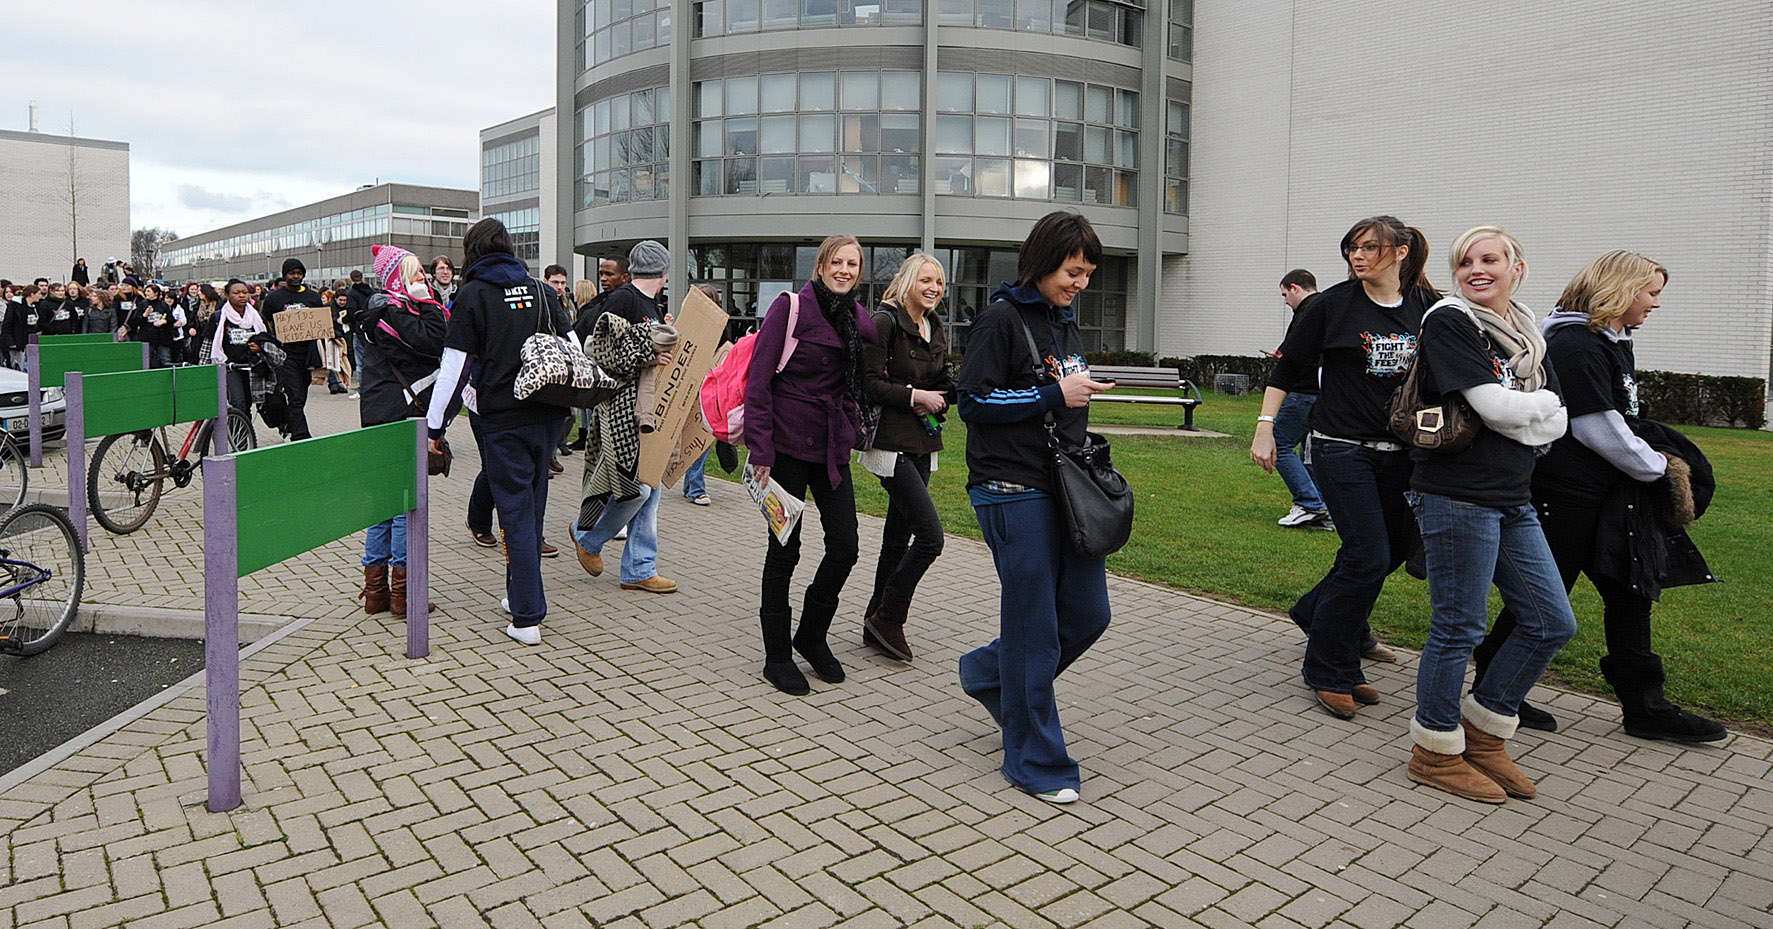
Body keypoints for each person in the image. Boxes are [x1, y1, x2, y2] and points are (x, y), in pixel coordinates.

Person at [1475, 251, 1726, 743]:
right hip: (1567, 497)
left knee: (1630, 594)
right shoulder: (1575, 344)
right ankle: (1494, 687)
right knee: (1544, 599)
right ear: (1620, 289)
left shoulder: (1611, 340)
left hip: (1606, 496)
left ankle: (1644, 708)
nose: (1655, 303)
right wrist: (1662, 470)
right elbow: (1598, 429)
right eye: (1651, 292)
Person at [1405, 226, 1573, 803]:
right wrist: (1537, 407)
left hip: (1511, 495)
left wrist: (1531, 412)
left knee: (1551, 622)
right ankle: (1433, 750)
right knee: (1459, 626)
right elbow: (1493, 406)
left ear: (1516, 268)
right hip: (1456, 493)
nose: (1476, 270)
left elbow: (1557, 422)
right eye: (1465, 262)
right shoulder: (1450, 321)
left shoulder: (1527, 333)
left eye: (1490, 259)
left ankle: (1484, 733)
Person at [955, 211, 1115, 804]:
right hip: (1010, 488)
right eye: (1073, 272)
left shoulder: (1063, 321)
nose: (1081, 284)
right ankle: (1034, 760)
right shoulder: (1001, 318)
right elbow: (972, 402)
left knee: (1088, 613)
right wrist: (1054, 393)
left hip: (1067, 489)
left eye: (1088, 273)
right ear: (1043, 263)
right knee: (1034, 631)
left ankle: (988, 673)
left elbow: (1059, 393)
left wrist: (1076, 393)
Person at [1251, 215, 1436, 719]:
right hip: (1340, 448)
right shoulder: (1331, 305)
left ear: (1400, 252)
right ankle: (1330, 668)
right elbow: (1288, 368)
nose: (1358, 256)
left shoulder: (1426, 306)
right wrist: (1266, 427)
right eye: (1353, 247)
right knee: (1367, 556)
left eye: (1371, 247)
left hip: (1401, 452)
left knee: (1388, 551)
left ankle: (1316, 611)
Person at [426, 219, 573, 645]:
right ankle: (519, 596)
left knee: (513, 514)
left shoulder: (472, 295)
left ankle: (527, 616)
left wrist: (436, 426)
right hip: (549, 414)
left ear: (472, 250)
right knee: (532, 508)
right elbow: (573, 348)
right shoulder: (542, 290)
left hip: (503, 419)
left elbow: (454, 369)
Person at [746, 233, 878, 695]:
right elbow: (758, 381)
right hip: (784, 445)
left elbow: (856, 382)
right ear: (820, 266)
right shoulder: (790, 308)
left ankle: (811, 634)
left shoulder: (858, 320)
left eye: (853, 264)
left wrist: (853, 424)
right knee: (784, 549)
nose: (844, 270)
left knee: (846, 545)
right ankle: (777, 655)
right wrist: (760, 449)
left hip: (830, 446)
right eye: (837, 262)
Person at [859, 254, 956, 662]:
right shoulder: (885, 322)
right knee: (931, 537)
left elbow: (934, 380)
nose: (933, 288)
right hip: (890, 441)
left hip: (923, 441)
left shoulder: (935, 326)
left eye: (939, 282)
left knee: (897, 539)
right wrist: (916, 396)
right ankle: (890, 617)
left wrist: (943, 394)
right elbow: (866, 384)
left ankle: (874, 620)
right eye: (926, 280)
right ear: (908, 281)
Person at [572, 241, 680, 595]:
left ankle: (639, 568)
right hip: (620, 410)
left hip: (644, 409)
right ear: (663, 273)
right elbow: (600, 351)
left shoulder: (648, 304)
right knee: (637, 489)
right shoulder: (623, 299)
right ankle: (588, 535)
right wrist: (649, 354)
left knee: (650, 489)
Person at [357, 246, 448, 617]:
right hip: (399, 416)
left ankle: (376, 593)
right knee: (401, 506)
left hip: (379, 413)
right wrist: (426, 302)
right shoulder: (394, 311)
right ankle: (403, 596)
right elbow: (436, 339)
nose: (422, 279)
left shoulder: (380, 309)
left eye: (422, 273)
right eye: (414, 273)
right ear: (397, 277)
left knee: (383, 504)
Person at [1271, 270, 1332, 530]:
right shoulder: (1328, 307)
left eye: (1285, 294)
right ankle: (1324, 509)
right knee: (1311, 452)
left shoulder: (1308, 311)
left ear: (1295, 288)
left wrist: (1285, 359)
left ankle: (1310, 502)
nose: (1286, 301)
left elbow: (1298, 353)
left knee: (1278, 444)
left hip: (1302, 392)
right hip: (1321, 392)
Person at [260, 259, 325, 440]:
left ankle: (289, 423)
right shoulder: (273, 298)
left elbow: (321, 321)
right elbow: (264, 323)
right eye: (292, 273)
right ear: (285, 275)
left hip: (308, 354)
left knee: (301, 395)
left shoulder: (312, 297)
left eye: (299, 273)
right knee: (295, 396)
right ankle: (300, 436)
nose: (296, 276)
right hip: (285, 355)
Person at [676, 284, 722, 507]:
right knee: (694, 436)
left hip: (708, 388)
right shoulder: (687, 324)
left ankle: (693, 486)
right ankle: (694, 487)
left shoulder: (719, 328)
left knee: (702, 436)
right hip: (689, 388)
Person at [204, 280, 270, 411]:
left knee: (251, 403)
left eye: (245, 292)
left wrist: (261, 348)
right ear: (227, 295)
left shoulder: (257, 316)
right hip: (230, 367)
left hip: (254, 366)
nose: (242, 296)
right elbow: (207, 345)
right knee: (238, 403)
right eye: (237, 293)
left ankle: (245, 425)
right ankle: (237, 424)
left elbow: (269, 340)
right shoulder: (218, 317)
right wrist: (205, 369)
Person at [127, 283, 185, 368]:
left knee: (166, 360)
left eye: (149, 291)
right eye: (146, 291)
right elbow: (134, 322)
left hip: (162, 338)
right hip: (147, 338)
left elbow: (171, 321)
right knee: (146, 362)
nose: (146, 293)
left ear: (156, 293)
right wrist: (145, 315)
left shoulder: (163, 305)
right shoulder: (142, 304)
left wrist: (164, 321)